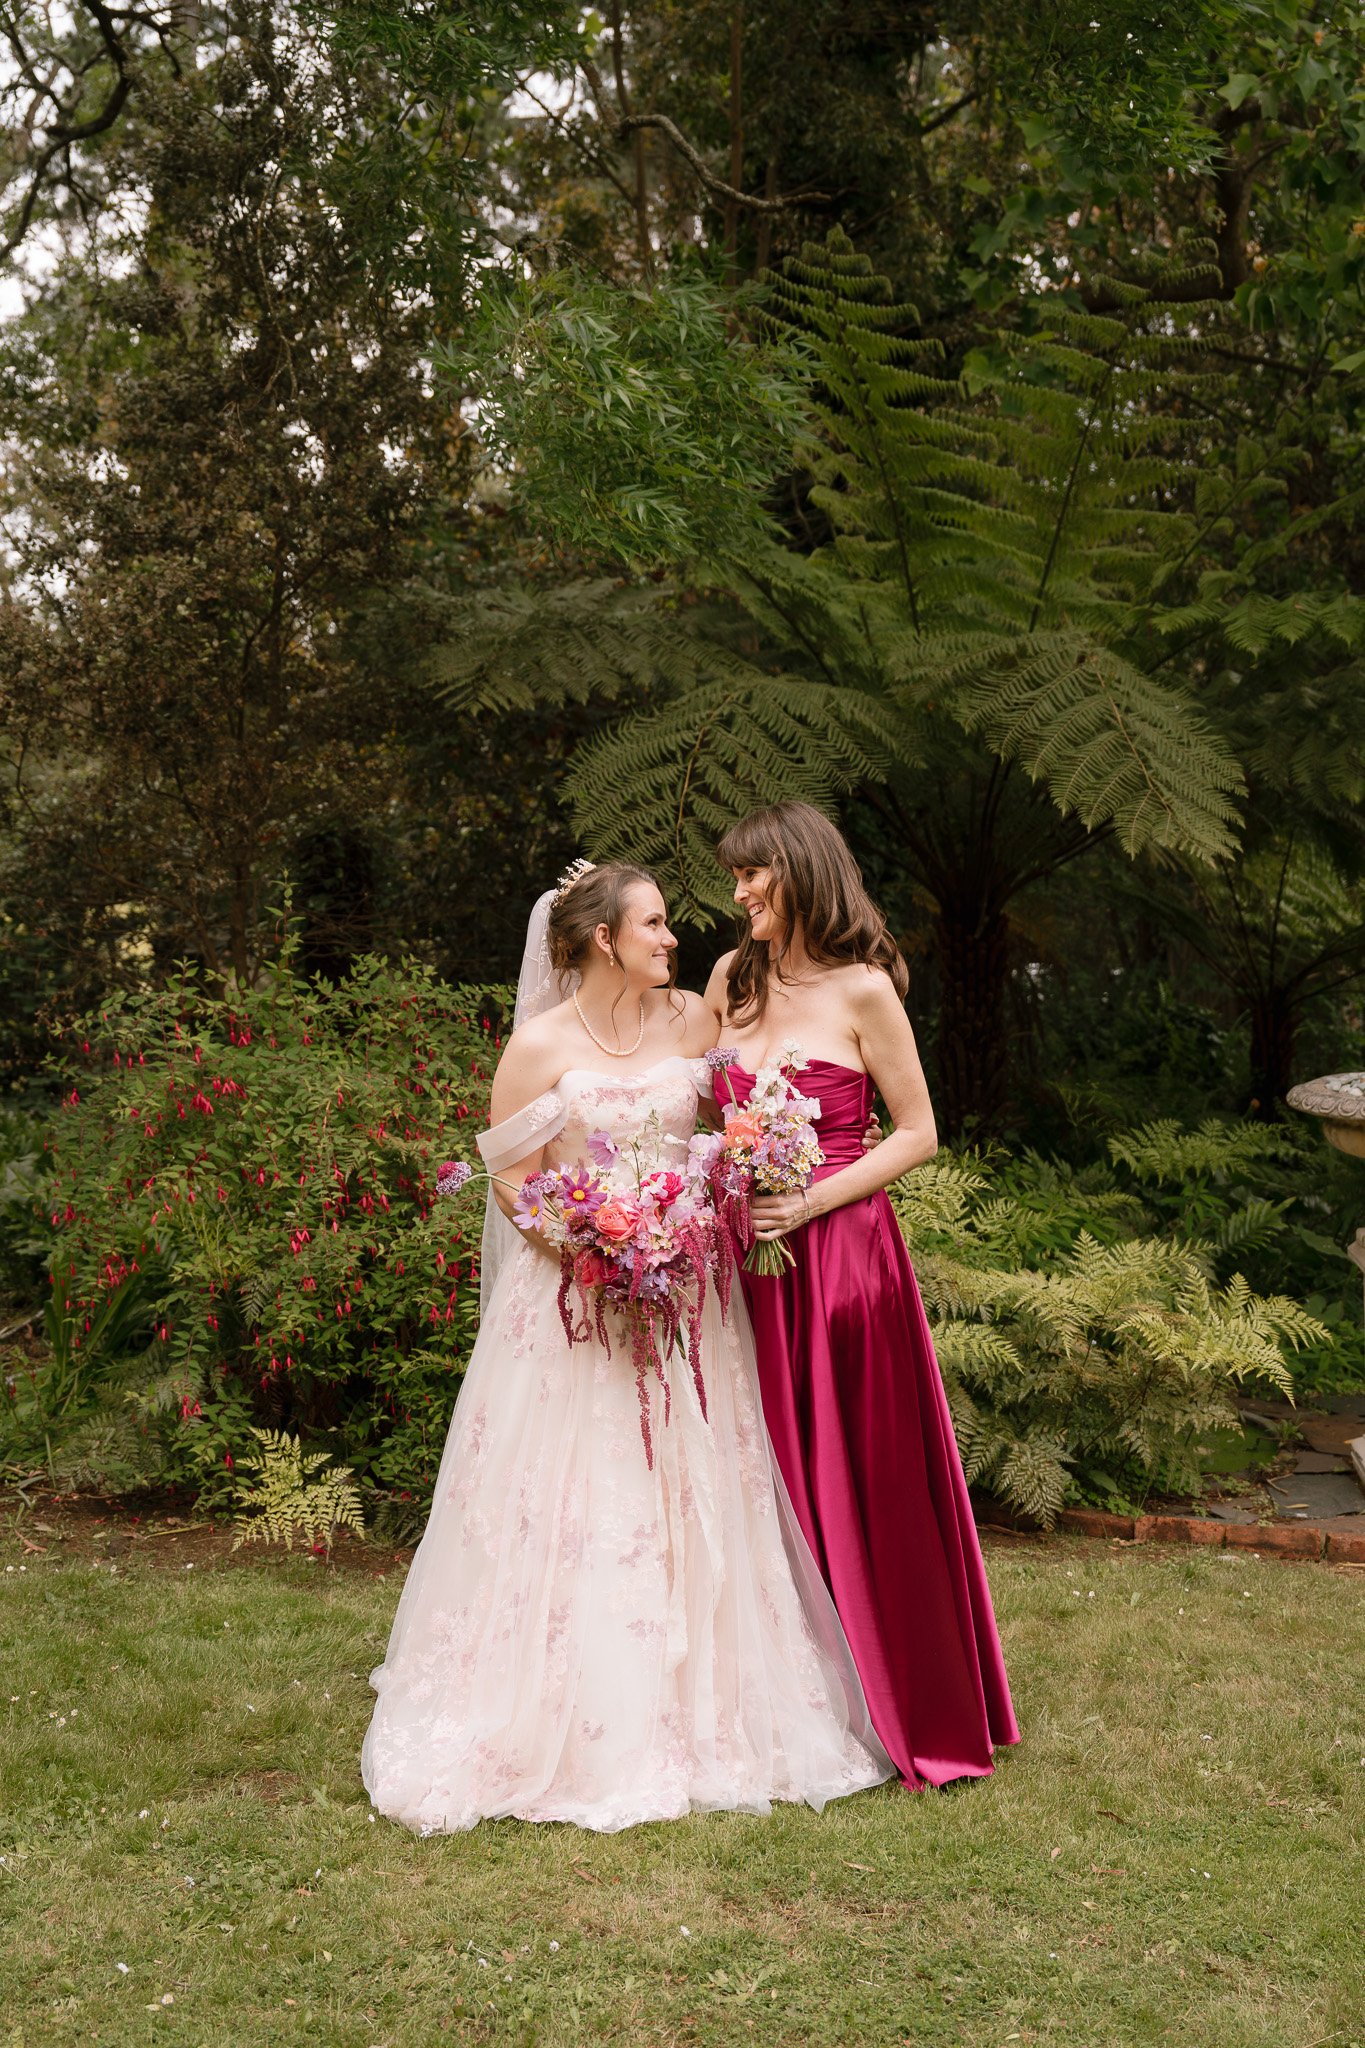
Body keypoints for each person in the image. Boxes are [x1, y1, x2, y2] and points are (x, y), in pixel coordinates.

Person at [362, 860, 892, 1833]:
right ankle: (562, 1719)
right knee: (573, 1504)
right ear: (604, 937)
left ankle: (712, 1712)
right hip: (573, 1312)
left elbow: (777, 970)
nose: (670, 939)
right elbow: (514, 1179)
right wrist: (591, 1244)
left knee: (699, 1495)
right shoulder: (537, 1046)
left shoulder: (696, 1016)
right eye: (652, 924)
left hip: (690, 1306)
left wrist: (674, 1231)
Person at [704, 803, 1019, 1788]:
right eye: (737, 878)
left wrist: (809, 1201)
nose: (741, 893)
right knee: (759, 1470)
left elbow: (918, 1129)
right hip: (741, 1258)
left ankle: (902, 1696)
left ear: (800, 870)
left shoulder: (864, 988)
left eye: (755, 874)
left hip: (842, 1260)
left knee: (862, 1473)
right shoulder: (729, 980)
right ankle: (781, 1695)